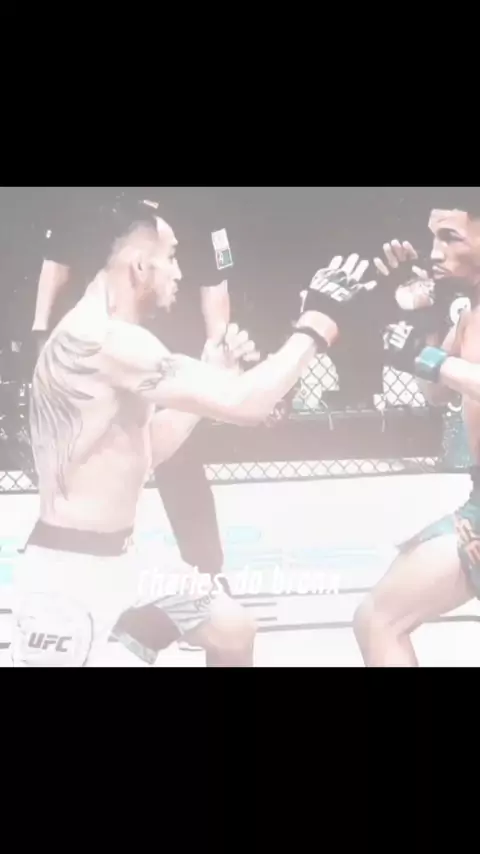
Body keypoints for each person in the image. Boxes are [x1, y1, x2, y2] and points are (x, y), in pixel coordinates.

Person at [12, 210, 371, 667]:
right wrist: (316, 325)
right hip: (72, 571)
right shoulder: (105, 339)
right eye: (172, 257)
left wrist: (210, 375)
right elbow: (247, 404)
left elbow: (142, 454)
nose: (180, 272)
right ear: (139, 266)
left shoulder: (103, 332)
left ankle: (137, 634)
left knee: (232, 630)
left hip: (125, 559)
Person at [30, 191, 247, 660]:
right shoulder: (97, 208)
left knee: (174, 466)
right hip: (99, 356)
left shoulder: (198, 206)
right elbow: (57, 260)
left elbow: (216, 283)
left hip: (163, 345)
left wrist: (217, 357)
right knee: (97, 464)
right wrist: (39, 333)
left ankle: (197, 580)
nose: (177, 268)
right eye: (171, 259)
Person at [353, 193, 480, 667]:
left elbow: (441, 369)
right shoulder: (469, 314)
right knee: (376, 619)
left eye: (450, 238)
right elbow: (436, 392)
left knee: (378, 619)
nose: (434, 252)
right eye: (432, 238)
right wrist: (423, 319)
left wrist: (427, 358)